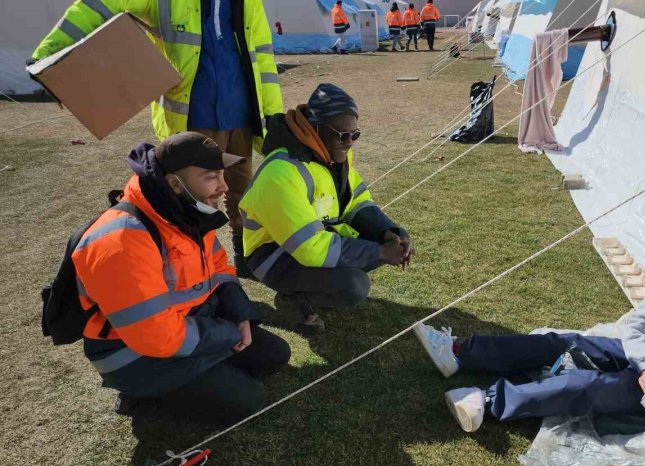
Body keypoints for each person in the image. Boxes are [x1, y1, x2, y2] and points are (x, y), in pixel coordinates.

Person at [415, 205, 645, 432]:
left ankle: (487, 402)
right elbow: (639, 324)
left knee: (587, 387)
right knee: (564, 342)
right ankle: (460, 351)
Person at [31, 0, 284, 279]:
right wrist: (49, 51)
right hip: (193, 116)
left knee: (242, 192)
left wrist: (271, 114)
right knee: (189, 200)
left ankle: (243, 256)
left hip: (242, 113)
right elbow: (98, 4)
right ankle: (197, 265)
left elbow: (262, 56)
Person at [72, 132, 291, 425]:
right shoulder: (123, 241)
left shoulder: (188, 212)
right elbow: (157, 336)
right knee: (248, 400)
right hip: (133, 354)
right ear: (175, 184)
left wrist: (241, 316)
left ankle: (204, 374)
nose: (224, 187)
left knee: (275, 356)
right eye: (211, 177)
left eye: (222, 175)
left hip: (189, 324)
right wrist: (227, 333)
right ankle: (139, 394)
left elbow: (220, 270)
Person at [239, 84, 414, 334]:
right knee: (355, 285)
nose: (350, 143)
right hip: (273, 256)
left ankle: (316, 288)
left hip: (314, 238)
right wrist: (380, 252)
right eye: (343, 135)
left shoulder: (333, 153)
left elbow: (356, 201)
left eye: (356, 135)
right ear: (315, 128)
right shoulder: (281, 172)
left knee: (381, 245)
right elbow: (309, 248)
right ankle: (293, 299)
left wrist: (387, 232)